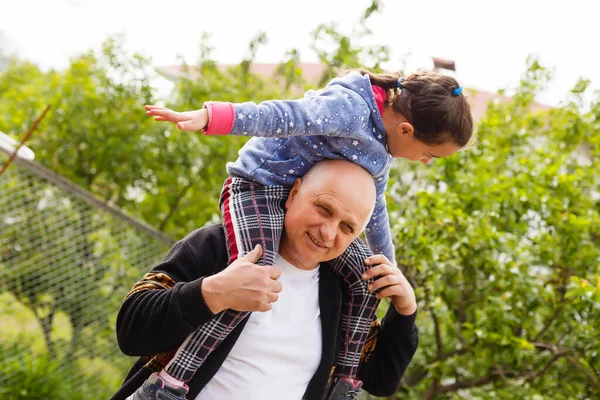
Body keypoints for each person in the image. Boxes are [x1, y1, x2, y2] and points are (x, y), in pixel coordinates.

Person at [143, 69, 473, 396]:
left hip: (297, 199)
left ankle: (344, 386)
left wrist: (391, 271)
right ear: (405, 129)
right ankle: (173, 384)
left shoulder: (380, 156)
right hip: (259, 188)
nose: (427, 162)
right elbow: (283, 116)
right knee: (252, 276)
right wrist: (210, 116)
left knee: (365, 280)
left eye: (346, 227)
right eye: (430, 155)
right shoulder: (350, 108)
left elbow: (377, 212)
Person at [112, 160, 419, 400]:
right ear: (295, 192)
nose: (328, 232)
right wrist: (213, 293)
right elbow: (131, 330)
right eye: (323, 208)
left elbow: (380, 381)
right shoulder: (220, 247)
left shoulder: (342, 294)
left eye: (347, 227)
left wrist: (405, 312)